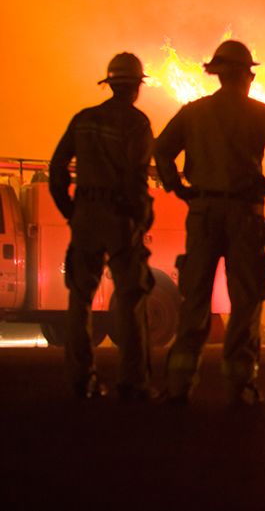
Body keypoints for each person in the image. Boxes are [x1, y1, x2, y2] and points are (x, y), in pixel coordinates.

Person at [154, 39, 265, 407]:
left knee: (195, 300)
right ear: (247, 76)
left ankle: (178, 386)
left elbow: (161, 151)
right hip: (245, 217)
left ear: (217, 75)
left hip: (202, 215)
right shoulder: (262, 114)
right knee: (246, 300)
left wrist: (177, 188)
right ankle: (239, 386)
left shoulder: (192, 113)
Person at [50, 52, 155, 401]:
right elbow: (137, 180)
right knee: (129, 296)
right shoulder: (137, 124)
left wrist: (71, 210)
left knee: (80, 297)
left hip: (86, 216)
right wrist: (140, 218)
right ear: (136, 87)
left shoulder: (84, 120)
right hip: (120, 217)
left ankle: (82, 379)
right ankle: (133, 382)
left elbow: (57, 169)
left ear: (110, 84)